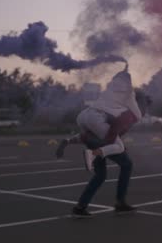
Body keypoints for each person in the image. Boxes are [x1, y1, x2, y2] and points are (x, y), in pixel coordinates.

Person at [61, 68, 143, 218]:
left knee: (100, 174)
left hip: (85, 116)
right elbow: (137, 114)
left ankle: (80, 207)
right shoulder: (128, 91)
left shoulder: (109, 88)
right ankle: (120, 203)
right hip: (97, 120)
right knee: (124, 159)